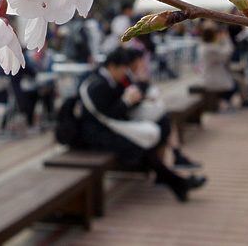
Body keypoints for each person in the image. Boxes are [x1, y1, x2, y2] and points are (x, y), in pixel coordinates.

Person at [76, 48, 206, 202]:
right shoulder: (98, 85)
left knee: (159, 128)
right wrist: (127, 101)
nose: (125, 74)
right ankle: (177, 182)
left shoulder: (108, 80)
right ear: (112, 67)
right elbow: (110, 113)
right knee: (143, 146)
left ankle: (175, 181)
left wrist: (137, 90)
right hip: (96, 136)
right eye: (123, 70)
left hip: (109, 130)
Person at [125, 47, 200, 168]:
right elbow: (134, 97)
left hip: (142, 113)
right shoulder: (126, 77)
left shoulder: (133, 75)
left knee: (166, 121)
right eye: (141, 60)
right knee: (165, 123)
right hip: (134, 117)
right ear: (135, 61)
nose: (144, 63)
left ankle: (173, 158)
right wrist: (142, 84)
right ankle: (173, 158)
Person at [198, 24, 238, 113]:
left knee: (235, 82)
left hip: (212, 75)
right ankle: (223, 105)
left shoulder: (205, 46)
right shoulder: (210, 49)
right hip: (213, 78)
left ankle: (224, 103)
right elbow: (226, 53)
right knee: (234, 86)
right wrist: (226, 39)